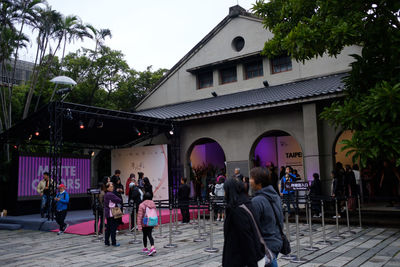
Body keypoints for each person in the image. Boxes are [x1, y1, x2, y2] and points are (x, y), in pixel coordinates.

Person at [222, 177, 265, 267]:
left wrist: (252, 263)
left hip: (239, 259)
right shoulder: (246, 203)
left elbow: (246, 239)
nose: (224, 193)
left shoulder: (237, 211)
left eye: (225, 190)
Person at [250, 167, 283, 267]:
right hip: (277, 240)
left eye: (251, 178)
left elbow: (253, 226)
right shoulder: (275, 195)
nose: (249, 180)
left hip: (266, 245)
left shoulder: (257, 201)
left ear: (259, 182)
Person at [104, 182, 122, 247]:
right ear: (107, 188)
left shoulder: (106, 194)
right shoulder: (110, 194)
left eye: (112, 186)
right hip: (112, 212)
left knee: (108, 228)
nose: (112, 188)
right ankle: (113, 242)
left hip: (108, 213)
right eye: (111, 187)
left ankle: (106, 241)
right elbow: (119, 200)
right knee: (113, 228)